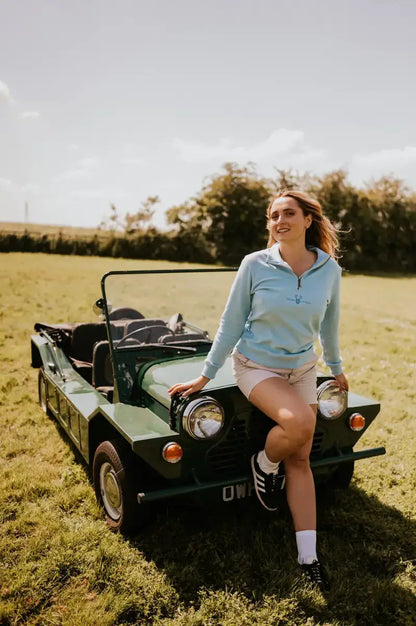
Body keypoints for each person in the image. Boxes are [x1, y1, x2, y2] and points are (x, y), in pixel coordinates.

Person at [168, 190, 348, 591]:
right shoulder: (255, 264)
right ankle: (265, 464)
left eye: (288, 213)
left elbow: (328, 326)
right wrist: (206, 375)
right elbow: (230, 323)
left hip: (302, 367)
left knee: (300, 459)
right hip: (255, 365)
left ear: (307, 220)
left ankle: (309, 558)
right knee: (301, 423)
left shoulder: (329, 269)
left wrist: (335, 368)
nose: (279, 220)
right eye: (273, 215)